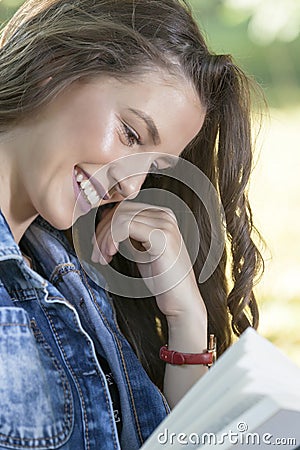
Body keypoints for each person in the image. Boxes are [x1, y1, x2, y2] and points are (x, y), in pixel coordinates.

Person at [0, 0, 264, 449]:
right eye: (131, 134)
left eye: (153, 166)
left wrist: (186, 319)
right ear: (55, 65)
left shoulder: (78, 281)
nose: (130, 184)